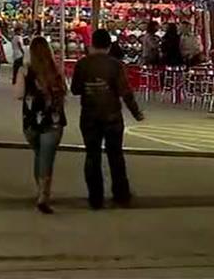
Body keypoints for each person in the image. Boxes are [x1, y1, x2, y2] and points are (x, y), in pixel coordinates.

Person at [71, 28, 144, 210]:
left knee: (92, 155)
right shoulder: (115, 65)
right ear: (109, 46)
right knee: (116, 155)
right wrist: (136, 112)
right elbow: (125, 91)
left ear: (92, 44)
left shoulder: (82, 64)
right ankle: (121, 194)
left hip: (89, 116)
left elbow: (75, 89)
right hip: (112, 116)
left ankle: (95, 197)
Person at [15, 35, 66, 213]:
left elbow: (19, 94)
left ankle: (40, 190)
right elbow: (64, 91)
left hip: (31, 122)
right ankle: (44, 193)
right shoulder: (55, 70)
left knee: (39, 154)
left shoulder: (25, 71)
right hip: (53, 120)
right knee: (47, 157)